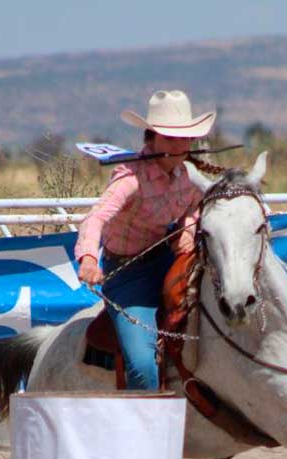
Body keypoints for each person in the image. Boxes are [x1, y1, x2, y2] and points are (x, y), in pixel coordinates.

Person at [74, 89, 218, 389]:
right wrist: (88, 257)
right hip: (128, 274)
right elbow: (96, 217)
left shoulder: (190, 175)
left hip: (173, 261)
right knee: (142, 365)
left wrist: (188, 231)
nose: (178, 145)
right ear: (151, 138)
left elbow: (194, 207)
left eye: (184, 138)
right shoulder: (129, 177)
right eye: (168, 138)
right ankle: (147, 426)